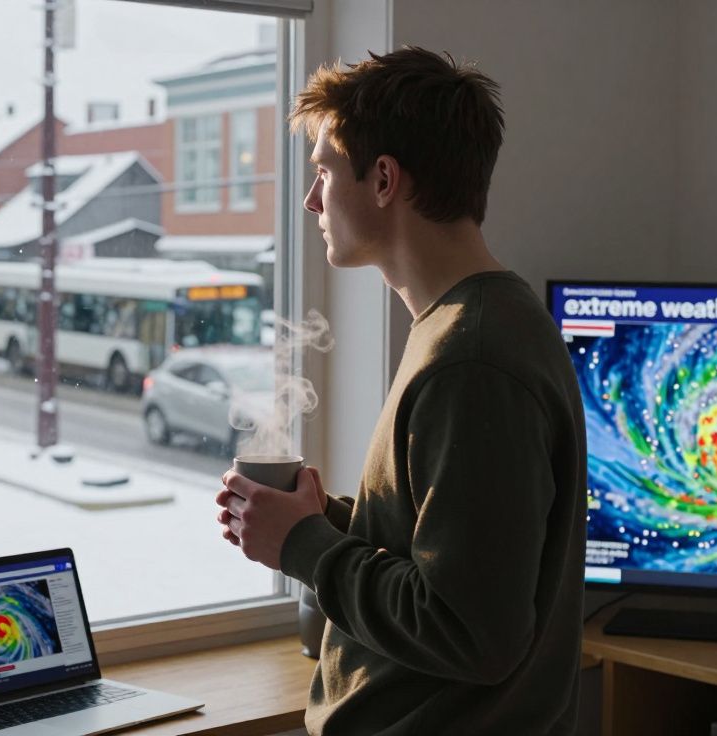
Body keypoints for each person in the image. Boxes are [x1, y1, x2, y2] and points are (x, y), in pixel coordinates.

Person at [215, 48, 587, 735]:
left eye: (324, 171)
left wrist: (302, 546)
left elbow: (471, 633)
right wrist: (321, 517)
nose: (311, 199)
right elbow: (450, 552)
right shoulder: (469, 326)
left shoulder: (471, 359)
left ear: (384, 179)